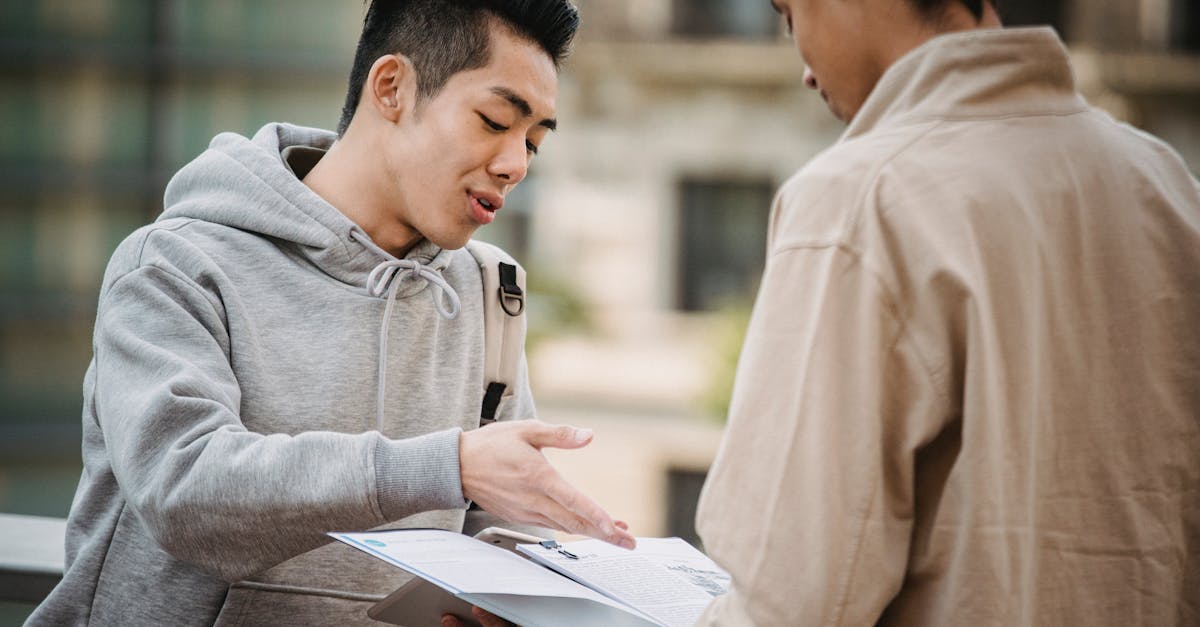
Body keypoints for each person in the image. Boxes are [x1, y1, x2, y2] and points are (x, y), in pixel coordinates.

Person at [28, 0, 636, 625]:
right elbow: (184, 493)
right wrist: (446, 466)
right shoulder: (175, 264)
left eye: (533, 141)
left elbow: (492, 533)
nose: (516, 165)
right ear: (392, 88)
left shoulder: (490, 291)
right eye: (494, 121)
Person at [696, 0, 1200, 624]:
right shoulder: (1166, 183)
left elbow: (790, 605)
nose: (800, 62)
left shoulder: (859, 199)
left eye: (789, 13)